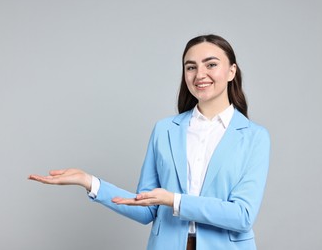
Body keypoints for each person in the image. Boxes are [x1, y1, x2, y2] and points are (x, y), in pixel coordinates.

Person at [29, 34, 270, 250]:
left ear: (231, 71)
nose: (200, 75)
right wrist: (89, 182)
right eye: (190, 67)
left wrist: (173, 200)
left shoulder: (254, 137)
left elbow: (243, 215)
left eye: (211, 64)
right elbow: (148, 208)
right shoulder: (164, 130)